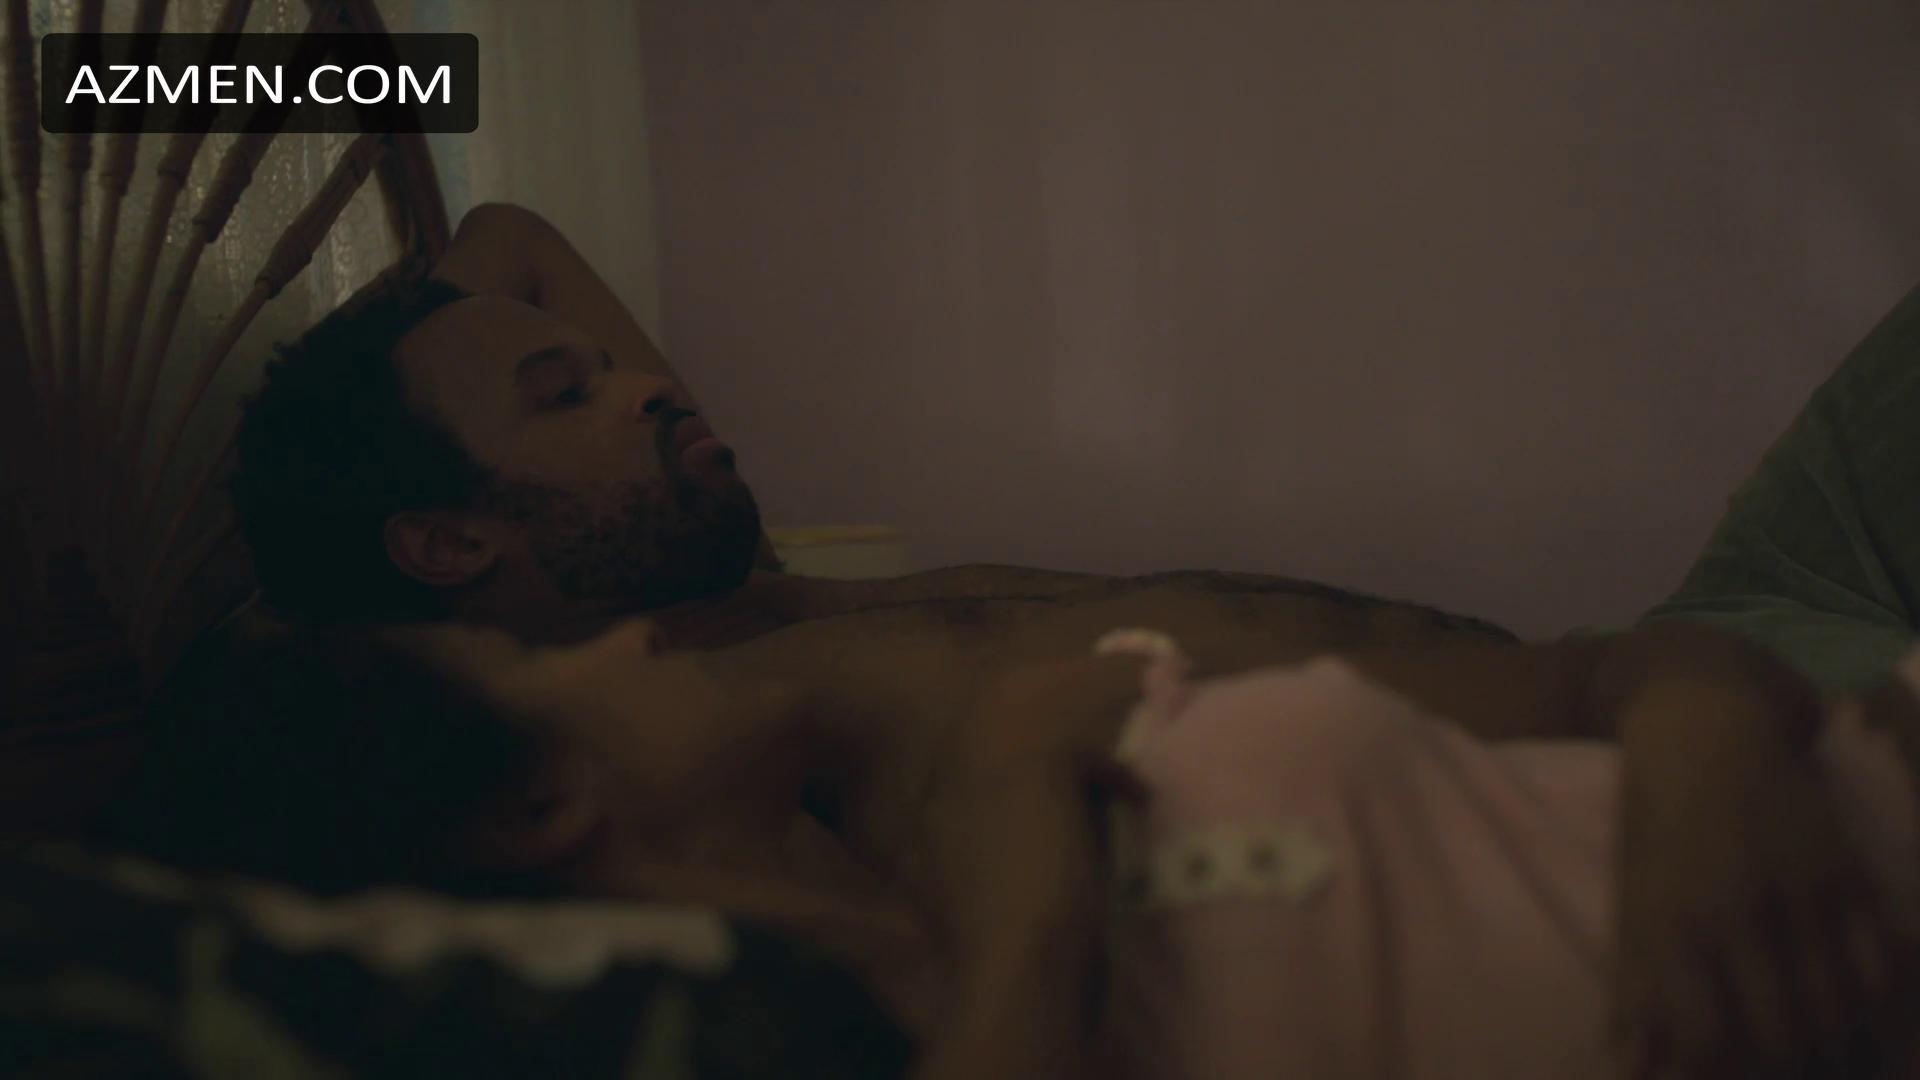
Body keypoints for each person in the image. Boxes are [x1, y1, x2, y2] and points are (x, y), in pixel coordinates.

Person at [107, 599, 1920, 1078]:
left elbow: (1615, 663)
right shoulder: (964, 958)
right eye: (544, 655)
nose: (635, 634)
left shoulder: (1045, 709)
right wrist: (1032, 886)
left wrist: (1712, 770)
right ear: (535, 801)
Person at [229, 202, 1514, 654]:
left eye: (604, 370)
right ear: (445, 544)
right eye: (567, 393)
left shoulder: (715, 584)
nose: (651, 385)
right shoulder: (692, 730)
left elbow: (506, 233)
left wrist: (392, 375)